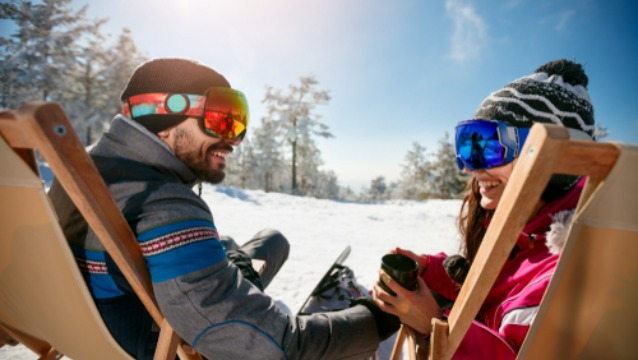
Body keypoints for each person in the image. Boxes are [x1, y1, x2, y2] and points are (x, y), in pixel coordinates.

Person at [49, 57, 399, 359]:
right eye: (222, 119)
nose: (233, 139)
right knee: (261, 266)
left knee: (272, 239)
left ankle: (230, 263)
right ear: (164, 115)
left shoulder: (79, 171)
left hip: (92, 320)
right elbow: (277, 346)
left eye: (238, 122)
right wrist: (377, 318)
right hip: (170, 338)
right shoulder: (165, 205)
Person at [371, 59, 596, 359]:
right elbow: (501, 289)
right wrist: (433, 270)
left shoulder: (563, 272)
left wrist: (435, 325)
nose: (470, 167)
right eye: (468, 146)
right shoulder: (524, 232)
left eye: (489, 146)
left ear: (554, 160)